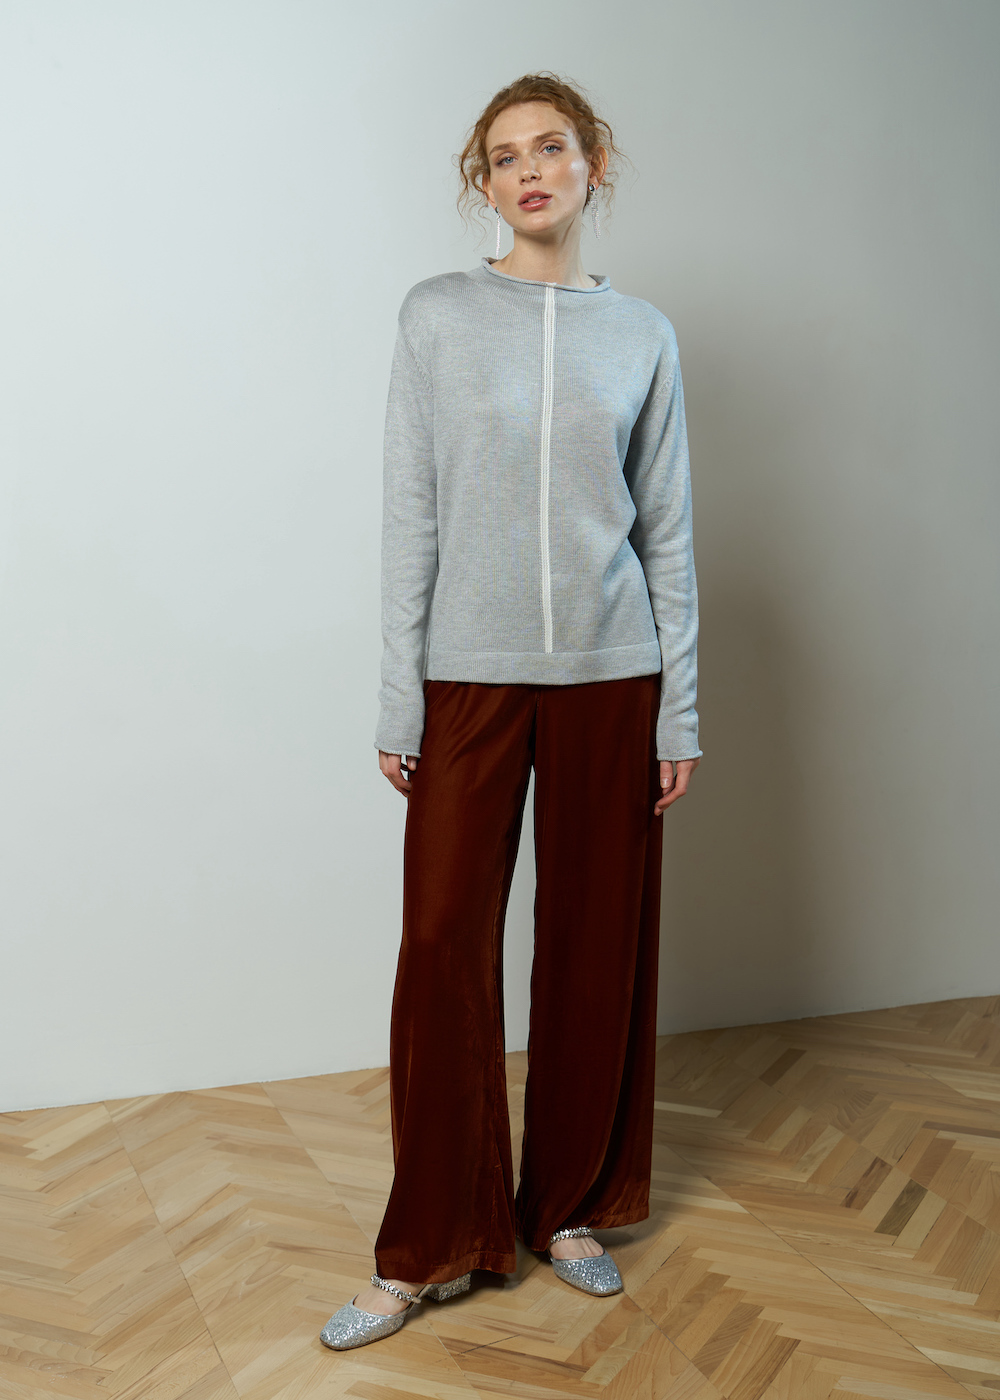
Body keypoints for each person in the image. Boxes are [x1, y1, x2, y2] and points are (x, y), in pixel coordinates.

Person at [320, 71, 701, 1351]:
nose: (528, 171)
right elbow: (409, 513)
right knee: (442, 945)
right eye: (502, 156)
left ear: (595, 162)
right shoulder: (436, 315)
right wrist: (400, 695)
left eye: (550, 147)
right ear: (481, 184)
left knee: (594, 946)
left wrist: (678, 715)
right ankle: (428, 1242)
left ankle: (568, 1205)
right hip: (468, 676)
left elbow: (668, 533)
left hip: (611, 675)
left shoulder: (640, 333)